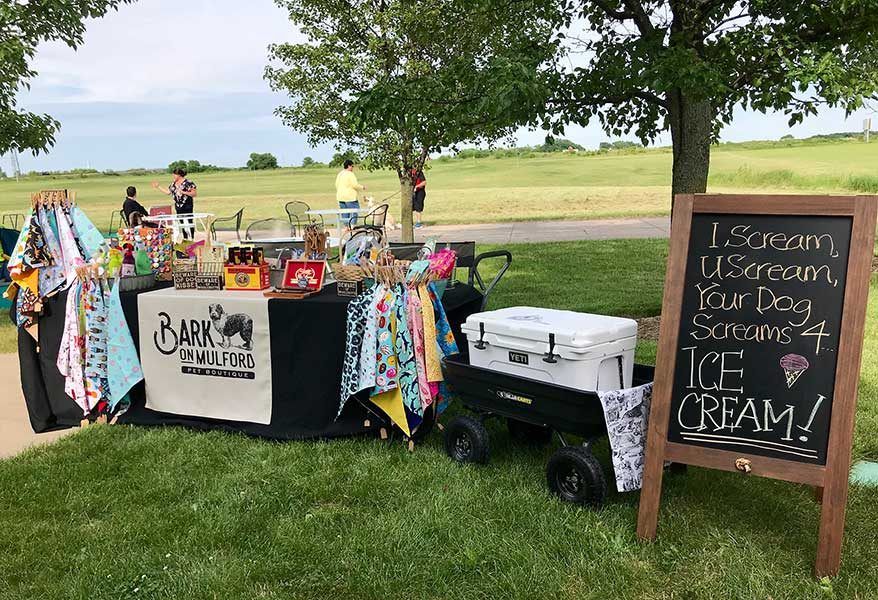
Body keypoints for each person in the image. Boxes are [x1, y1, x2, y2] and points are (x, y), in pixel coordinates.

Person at [151, 168, 198, 238]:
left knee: (189, 222)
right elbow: (168, 192)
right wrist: (158, 187)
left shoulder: (188, 183)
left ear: (179, 175)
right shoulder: (173, 184)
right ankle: (185, 238)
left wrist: (184, 192)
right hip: (178, 206)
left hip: (187, 205)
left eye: (174, 175)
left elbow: (194, 194)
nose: (173, 177)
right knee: (181, 223)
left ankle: (192, 237)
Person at [335, 159, 365, 228]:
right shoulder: (350, 174)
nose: (352, 168)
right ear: (349, 166)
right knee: (354, 211)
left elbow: (336, 184)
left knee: (345, 212)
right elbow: (354, 185)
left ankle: (346, 227)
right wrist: (362, 187)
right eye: (352, 166)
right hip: (350, 197)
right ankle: (352, 226)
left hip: (340, 197)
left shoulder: (340, 174)